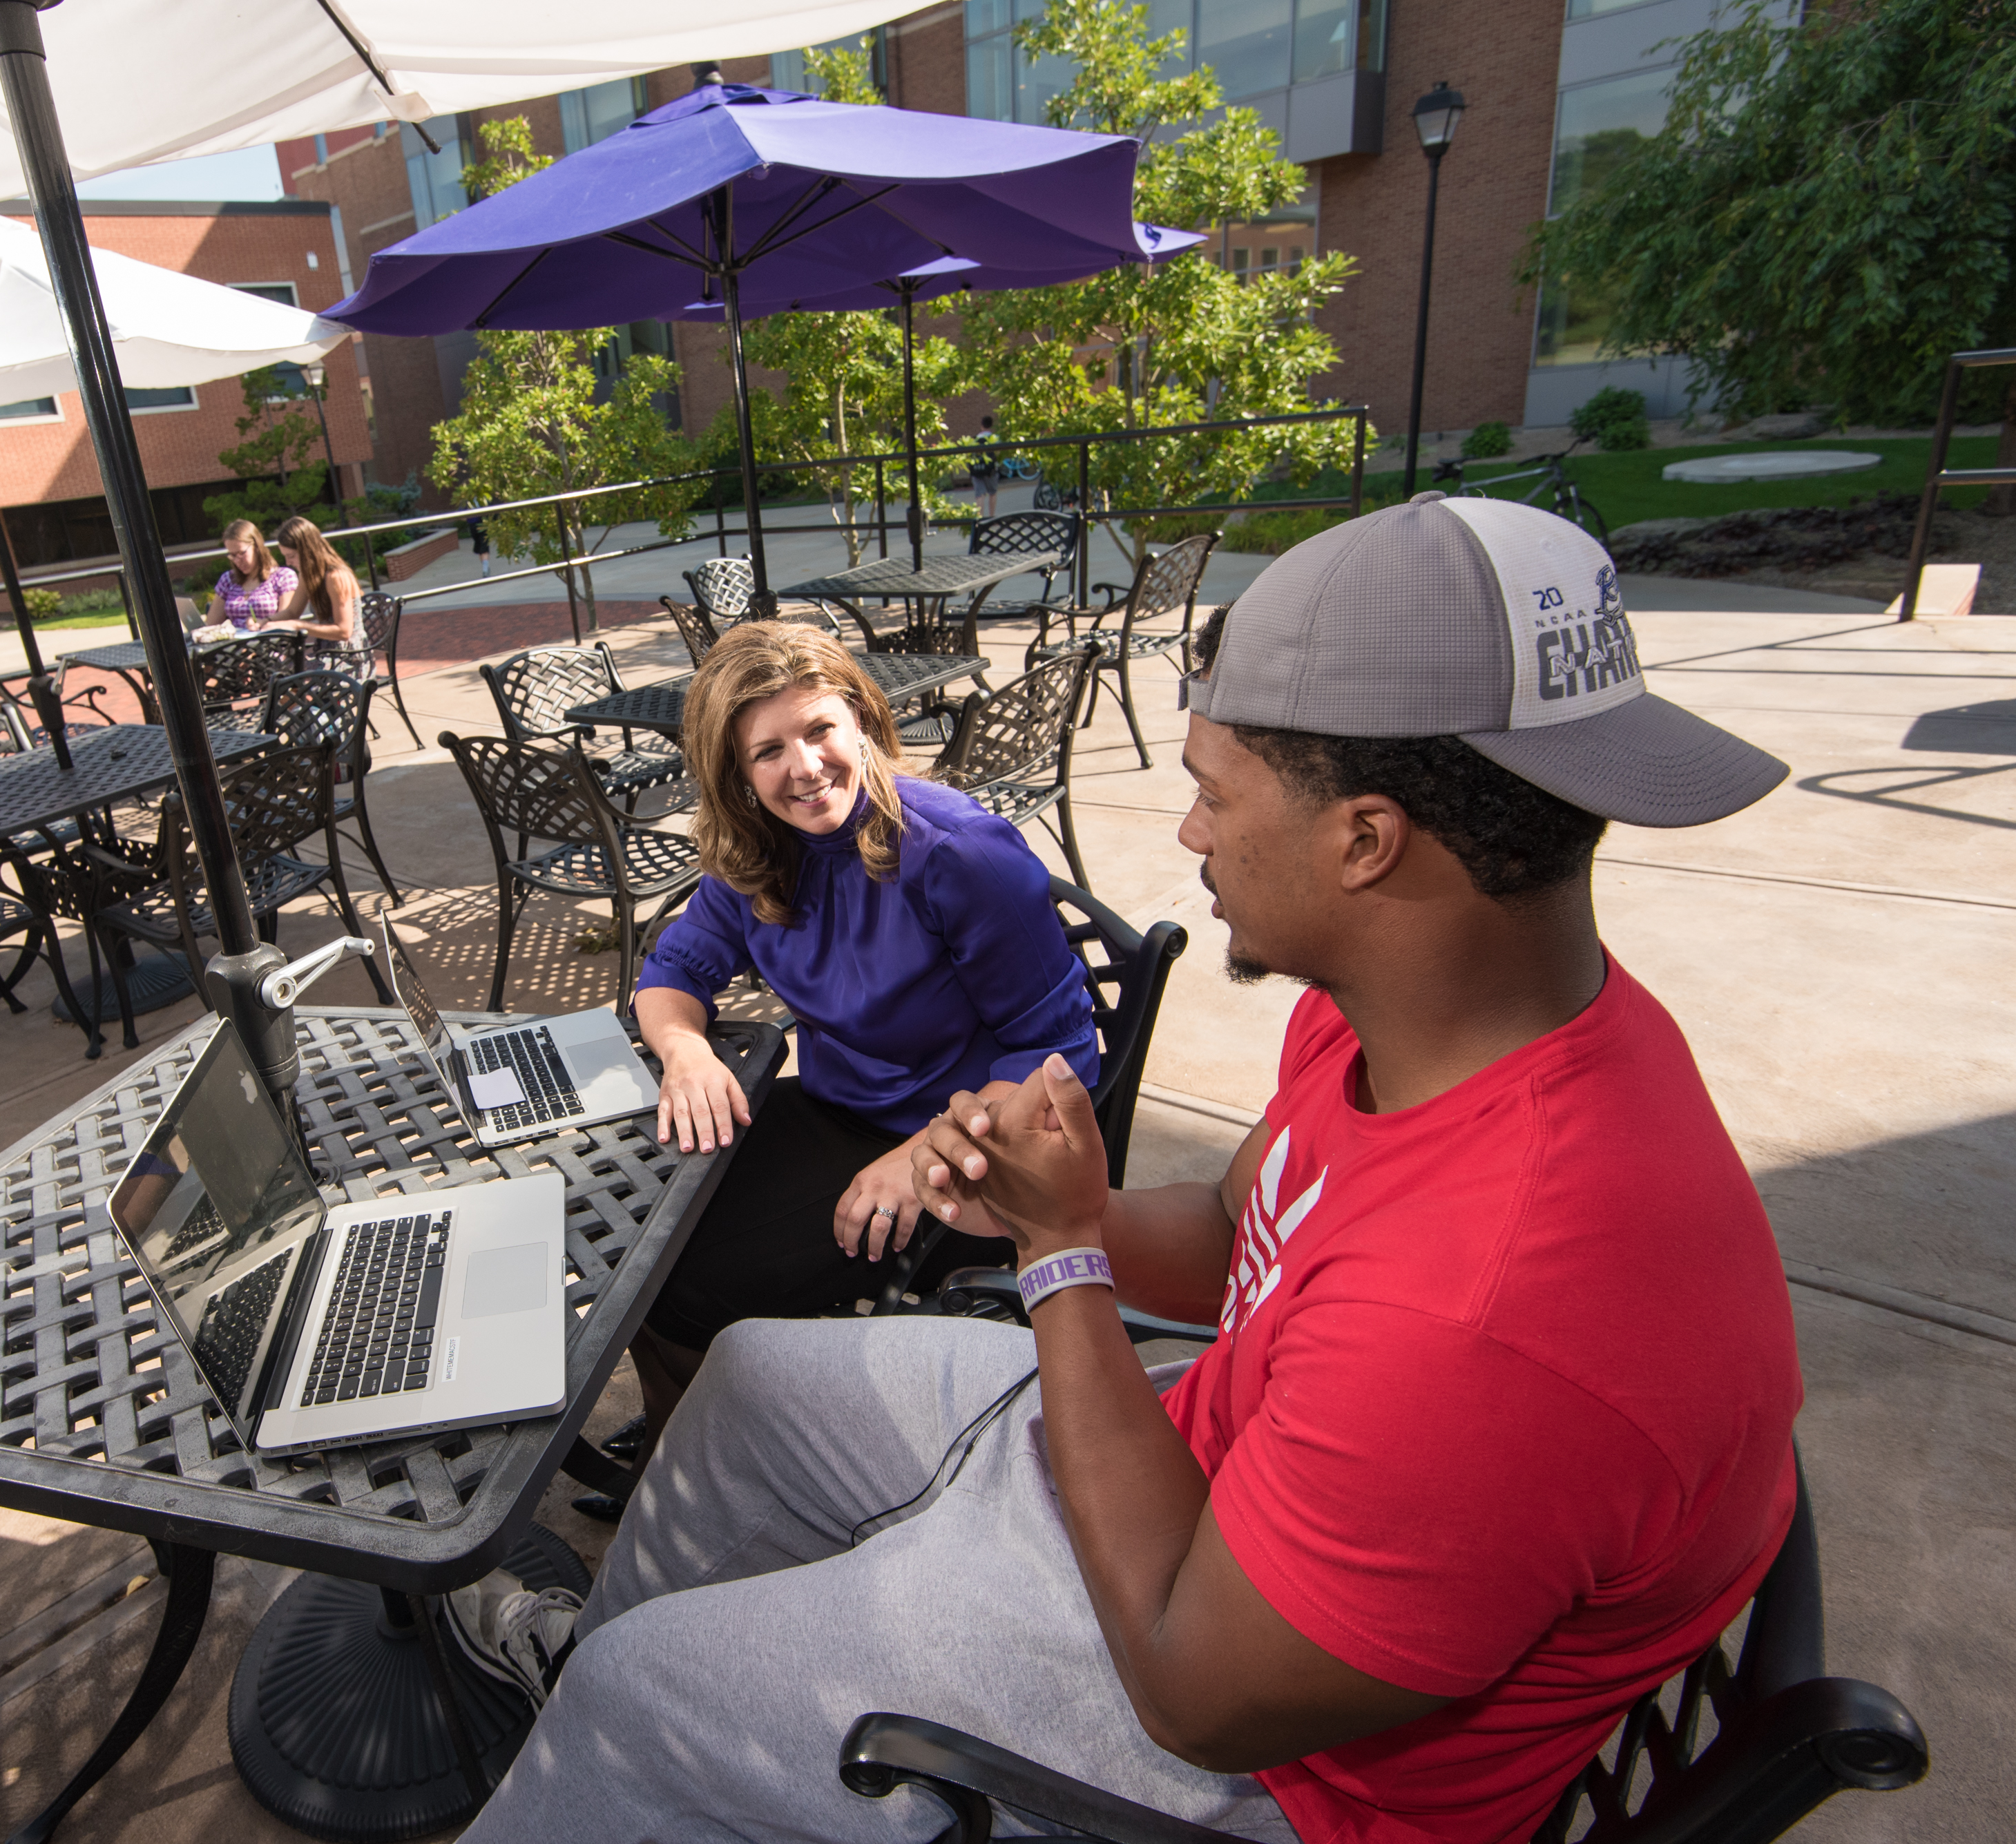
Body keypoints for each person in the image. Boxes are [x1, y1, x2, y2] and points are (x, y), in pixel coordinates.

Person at [446, 495, 1803, 1844]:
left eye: (1213, 793)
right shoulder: (1393, 1008)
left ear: (1363, 841)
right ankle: (634, 1748)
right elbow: (1236, 1234)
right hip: (1205, 1450)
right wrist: (1070, 1209)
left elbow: (1190, 1684)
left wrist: (1058, 1259)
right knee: (741, 1372)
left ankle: (634, 1723)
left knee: (651, 1688)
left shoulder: (1494, 1312)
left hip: (1235, 1734)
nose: (1186, 836)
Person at [613, 620, 1102, 1488]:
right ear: (737, 775)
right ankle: (683, 1430)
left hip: (967, 1151)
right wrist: (684, 1048)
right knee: (636, 1241)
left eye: (819, 730)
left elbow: (1060, 1055)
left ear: (864, 724)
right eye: (768, 751)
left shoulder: (956, 852)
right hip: (839, 1109)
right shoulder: (757, 852)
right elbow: (673, 972)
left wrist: (920, 1157)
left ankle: (709, 1470)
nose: (803, 768)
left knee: (686, 1288)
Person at [262, 514, 367, 662]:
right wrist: (266, 621)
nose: (288, 562)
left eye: (291, 556)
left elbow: (344, 632)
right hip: (326, 653)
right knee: (273, 667)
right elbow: (292, 612)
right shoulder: (309, 574)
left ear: (307, 551)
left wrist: (298, 625)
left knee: (281, 672)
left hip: (348, 658)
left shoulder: (336, 576)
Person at [195, 519, 298, 640]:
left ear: (257, 547)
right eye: (233, 555)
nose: (238, 560)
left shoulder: (283, 576)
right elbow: (212, 625)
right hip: (234, 647)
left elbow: (286, 621)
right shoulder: (228, 580)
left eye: (242, 553)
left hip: (271, 644)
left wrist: (263, 623)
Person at [970, 411, 1004, 517]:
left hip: (977, 470)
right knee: (992, 493)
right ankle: (991, 517)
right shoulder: (995, 439)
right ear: (991, 425)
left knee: (979, 495)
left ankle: (980, 519)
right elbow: (999, 453)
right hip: (991, 470)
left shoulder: (975, 440)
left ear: (981, 425)